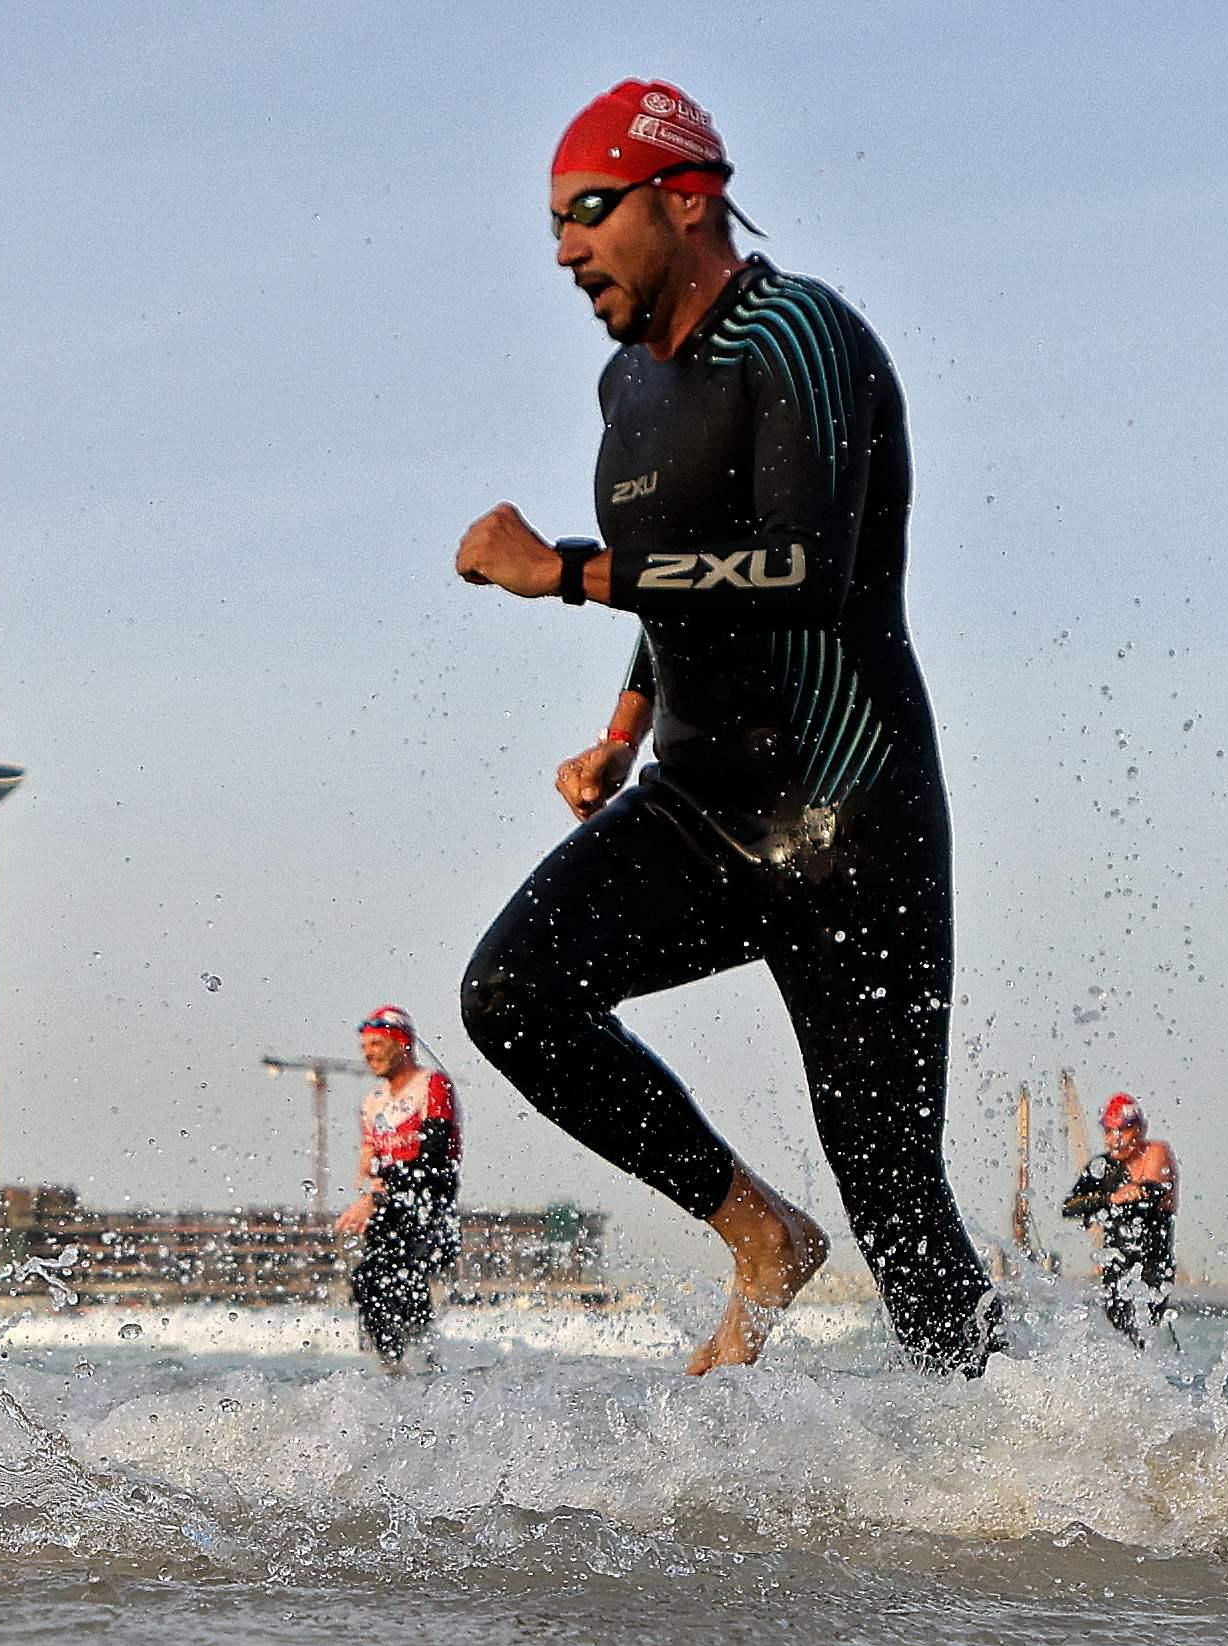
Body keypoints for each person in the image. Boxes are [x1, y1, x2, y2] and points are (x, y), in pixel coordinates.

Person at [450, 78, 998, 1378]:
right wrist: (626, 723)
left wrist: (565, 573)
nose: (566, 248)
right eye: (554, 225)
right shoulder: (622, 390)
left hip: (850, 815)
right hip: (701, 808)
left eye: (589, 211)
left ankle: (1014, 1464)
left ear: (684, 200)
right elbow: (684, 569)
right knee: (512, 994)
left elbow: (804, 564)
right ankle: (758, 1234)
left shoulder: (801, 333)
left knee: (897, 1195)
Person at [333, 1006, 462, 1372]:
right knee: (376, 1283)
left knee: (386, 1278)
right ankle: (402, 1366)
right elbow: (371, 1164)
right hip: (389, 1206)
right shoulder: (372, 1104)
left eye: (376, 1044)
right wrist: (371, 1188)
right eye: (364, 1046)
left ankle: (410, 1364)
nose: (367, 1053)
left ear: (402, 1043)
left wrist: (377, 1192)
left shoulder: (433, 1084)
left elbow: (435, 1154)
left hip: (429, 1201)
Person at [1058, 1093, 1177, 1344]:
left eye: (1123, 1131)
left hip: (1152, 1266)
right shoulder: (1102, 1167)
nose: (1116, 1140)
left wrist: (1128, 1195)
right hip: (1116, 1268)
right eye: (1110, 1132)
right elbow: (1069, 1207)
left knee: (1146, 1333)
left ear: (1141, 1128)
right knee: (1120, 1335)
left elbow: (1153, 1193)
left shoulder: (1156, 1152)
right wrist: (1109, 1200)